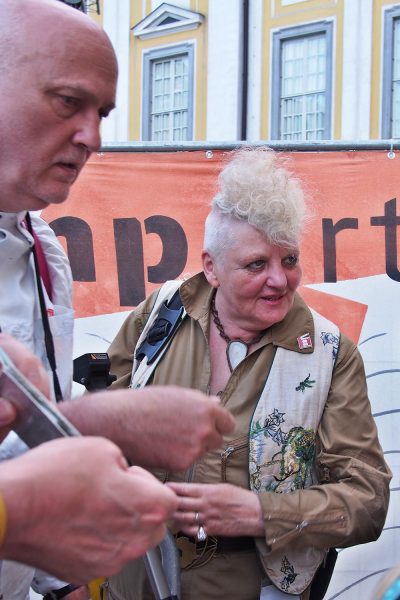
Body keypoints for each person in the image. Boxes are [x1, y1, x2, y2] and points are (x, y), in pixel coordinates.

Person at [0, 0, 234, 597]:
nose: (92, 138)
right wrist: (94, 422)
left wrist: (63, 583)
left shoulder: (41, 250)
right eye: (68, 101)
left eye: (102, 112)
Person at [105, 147, 392, 600]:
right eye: (257, 264)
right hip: (136, 578)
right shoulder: (160, 312)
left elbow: (368, 501)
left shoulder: (329, 353)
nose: (280, 280)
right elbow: (102, 421)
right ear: (211, 267)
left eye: (290, 260)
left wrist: (261, 513)